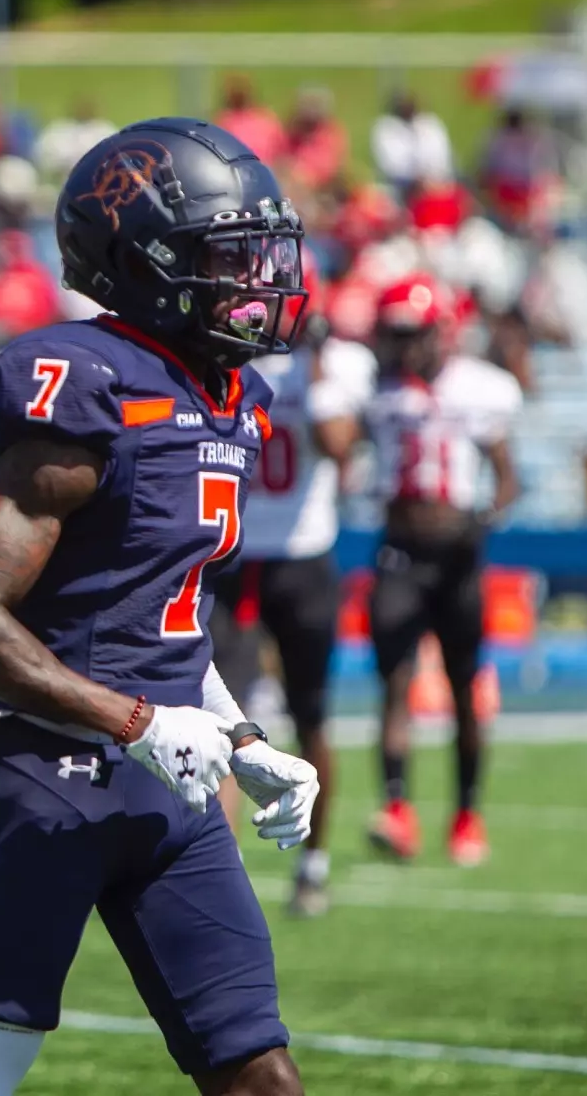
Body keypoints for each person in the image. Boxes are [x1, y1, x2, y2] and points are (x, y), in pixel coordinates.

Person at [0, 118, 318, 1096]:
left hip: (168, 793)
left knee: (260, 1078)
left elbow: (166, 617)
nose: (257, 277)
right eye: (225, 255)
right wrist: (134, 719)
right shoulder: (90, 384)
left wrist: (241, 739)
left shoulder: (225, 397)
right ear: (144, 264)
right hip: (47, 782)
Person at [208, 273, 372, 917]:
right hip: (237, 559)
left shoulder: (339, 366)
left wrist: (321, 371)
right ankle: (220, 872)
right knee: (223, 721)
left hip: (303, 560)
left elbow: (337, 446)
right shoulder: (227, 358)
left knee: (311, 718)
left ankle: (313, 862)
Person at [361, 276, 520, 867]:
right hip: (398, 553)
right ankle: (397, 808)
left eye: (412, 334)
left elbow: (505, 473)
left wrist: (485, 517)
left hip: (456, 557)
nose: (403, 346)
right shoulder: (376, 388)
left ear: (441, 331)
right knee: (394, 682)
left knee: (462, 688)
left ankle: (466, 813)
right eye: (396, 334)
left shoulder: (480, 389)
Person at [370, 90, 454, 202]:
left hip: (436, 179)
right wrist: (416, 178)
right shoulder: (385, 128)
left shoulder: (430, 124)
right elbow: (391, 164)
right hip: (402, 183)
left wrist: (432, 178)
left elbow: (441, 155)